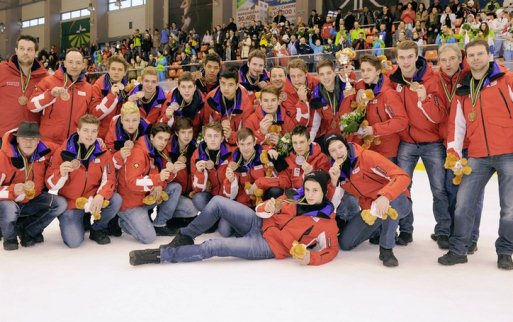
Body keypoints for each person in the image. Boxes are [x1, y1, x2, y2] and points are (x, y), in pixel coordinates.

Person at [128, 171, 339, 267]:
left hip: (267, 245)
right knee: (218, 201)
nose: (309, 194)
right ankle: (185, 235)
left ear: (324, 192)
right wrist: (269, 206)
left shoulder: (327, 223)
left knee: (213, 246)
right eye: (308, 189)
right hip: (259, 223)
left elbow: (331, 250)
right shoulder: (294, 196)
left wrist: (311, 258)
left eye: (315, 190)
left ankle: (161, 255)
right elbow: (260, 209)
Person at [439, 40, 513, 270]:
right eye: (471, 55)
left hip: (508, 152)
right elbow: (457, 125)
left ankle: (505, 251)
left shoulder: (506, 79)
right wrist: (453, 151)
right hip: (478, 155)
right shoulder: (464, 88)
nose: (476, 59)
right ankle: (459, 249)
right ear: (466, 59)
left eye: (480, 54)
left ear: (489, 55)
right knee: (463, 203)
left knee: (510, 206)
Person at [387, 40, 449, 246]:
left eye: (409, 57)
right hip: (406, 142)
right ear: (397, 58)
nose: (405, 62)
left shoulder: (432, 79)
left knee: (439, 189)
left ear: (417, 56)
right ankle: (406, 230)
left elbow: (439, 116)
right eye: (401, 57)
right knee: (403, 188)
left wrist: (425, 98)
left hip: (432, 142)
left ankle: (443, 231)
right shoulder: (392, 80)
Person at [323, 133, 411, 266]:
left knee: (391, 206)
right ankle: (378, 230)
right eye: (333, 150)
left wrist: (385, 195)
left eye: (340, 147)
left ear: (346, 146)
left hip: (397, 200)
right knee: (346, 243)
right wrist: (334, 181)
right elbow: (332, 203)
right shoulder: (336, 171)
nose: (338, 152)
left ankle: (386, 249)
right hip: (372, 209)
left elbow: (403, 177)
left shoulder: (367, 157)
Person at [46, 115, 122, 248]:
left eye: (93, 131)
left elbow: (109, 179)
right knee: (73, 242)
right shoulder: (62, 151)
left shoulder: (104, 153)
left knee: (116, 199)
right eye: (86, 130)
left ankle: (98, 228)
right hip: (72, 202)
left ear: (98, 133)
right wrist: (61, 173)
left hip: (93, 199)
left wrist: (101, 195)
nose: (90, 135)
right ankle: (74, 219)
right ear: (78, 131)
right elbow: (50, 184)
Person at [0, 121, 67, 250]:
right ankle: (10, 237)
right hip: (9, 202)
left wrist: (98, 142)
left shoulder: (45, 150)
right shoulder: (3, 157)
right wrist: (12, 189)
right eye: (24, 139)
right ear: (17, 139)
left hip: (31, 200)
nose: (29, 143)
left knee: (60, 203)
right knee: (8, 207)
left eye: (33, 139)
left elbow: (64, 147)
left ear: (38, 140)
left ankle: (28, 231)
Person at [116, 123, 183, 242]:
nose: (163, 142)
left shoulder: (154, 151)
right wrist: (157, 180)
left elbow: (158, 178)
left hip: (145, 198)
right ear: (152, 137)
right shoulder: (138, 153)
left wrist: (171, 173)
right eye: (160, 138)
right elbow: (132, 183)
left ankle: (159, 224)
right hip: (130, 205)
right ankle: (124, 221)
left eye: (166, 140)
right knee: (148, 238)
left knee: (175, 188)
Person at [28, 48, 93, 145]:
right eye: (70, 62)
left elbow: (90, 117)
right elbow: (31, 106)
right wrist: (50, 95)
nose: (74, 66)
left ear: (83, 65)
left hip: (74, 144)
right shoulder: (48, 81)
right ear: (64, 63)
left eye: (78, 63)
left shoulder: (88, 88)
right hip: (48, 142)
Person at [0, 35, 48, 138]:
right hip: (4, 134)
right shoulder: (2, 70)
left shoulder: (45, 77)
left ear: (36, 53)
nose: (25, 52)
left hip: (31, 137)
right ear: (16, 50)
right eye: (22, 49)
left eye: (29, 49)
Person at [201, 68, 254, 146]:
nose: (226, 88)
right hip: (215, 141)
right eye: (223, 83)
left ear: (237, 85)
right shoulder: (210, 98)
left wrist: (231, 135)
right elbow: (206, 124)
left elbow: (247, 134)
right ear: (219, 82)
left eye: (230, 84)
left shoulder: (246, 103)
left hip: (238, 144)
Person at [190, 121, 233, 211]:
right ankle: (213, 219)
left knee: (223, 225)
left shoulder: (232, 153)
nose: (212, 139)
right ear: (204, 138)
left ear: (222, 139)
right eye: (209, 136)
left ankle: (218, 219)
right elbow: (197, 189)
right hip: (210, 196)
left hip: (228, 197)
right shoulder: (197, 155)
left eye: (216, 136)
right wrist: (199, 173)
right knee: (198, 198)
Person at [91, 55, 130, 139]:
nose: (116, 72)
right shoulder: (98, 86)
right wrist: (112, 96)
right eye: (113, 69)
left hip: (119, 136)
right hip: (100, 137)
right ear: (108, 70)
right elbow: (94, 115)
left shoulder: (128, 88)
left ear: (125, 73)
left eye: (120, 70)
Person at [162, 72, 204, 137]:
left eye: (190, 87)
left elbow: (206, 126)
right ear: (178, 88)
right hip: (176, 140)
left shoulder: (202, 102)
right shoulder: (170, 101)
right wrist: (167, 118)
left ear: (195, 87)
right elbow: (162, 127)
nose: (186, 90)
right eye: (183, 87)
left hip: (195, 140)